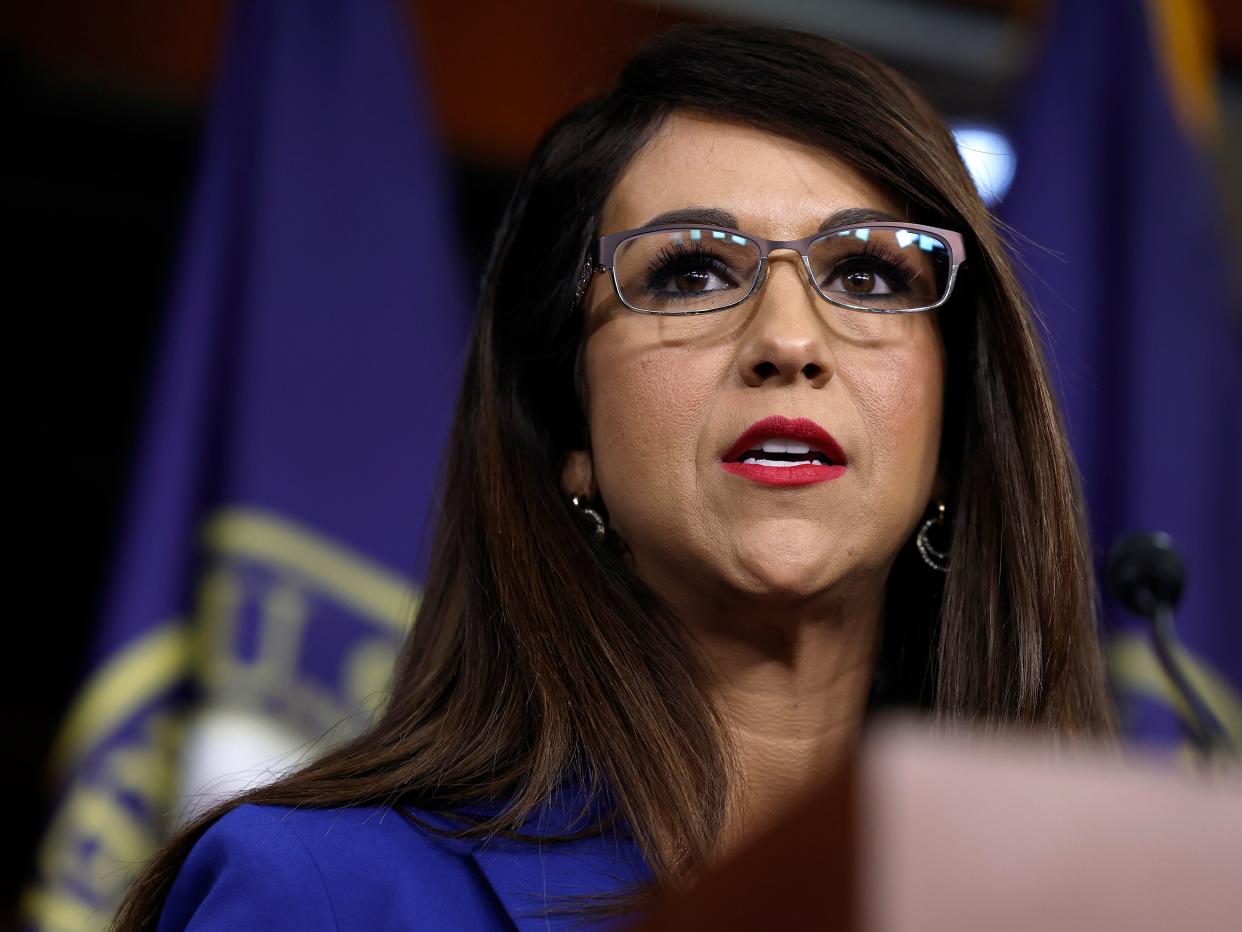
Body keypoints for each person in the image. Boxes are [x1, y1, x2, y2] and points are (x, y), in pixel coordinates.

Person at [117, 23, 1115, 931]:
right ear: (569, 427)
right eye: (691, 272)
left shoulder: (1082, 905)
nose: (787, 340)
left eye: (866, 274)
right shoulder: (317, 893)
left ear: (959, 426)